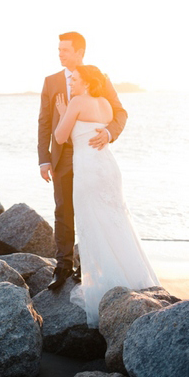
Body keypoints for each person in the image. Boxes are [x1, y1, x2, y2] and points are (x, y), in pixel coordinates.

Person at [54, 64, 159, 327]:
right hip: (109, 169)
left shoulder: (77, 101)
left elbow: (59, 137)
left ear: (87, 82)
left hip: (89, 172)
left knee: (93, 226)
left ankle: (105, 289)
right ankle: (135, 280)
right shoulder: (105, 104)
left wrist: (63, 112)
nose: (72, 83)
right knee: (116, 224)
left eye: (76, 80)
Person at [38, 32, 128, 290]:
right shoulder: (51, 81)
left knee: (94, 209)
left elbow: (119, 111)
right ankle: (63, 265)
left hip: (90, 153)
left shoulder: (99, 78)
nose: (60, 54)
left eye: (65, 50)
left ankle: (88, 265)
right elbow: (44, 122)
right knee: (63, 209)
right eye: (59, 49)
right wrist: (44, 159)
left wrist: (109, 132)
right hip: (63, 157)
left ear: (79, 53)